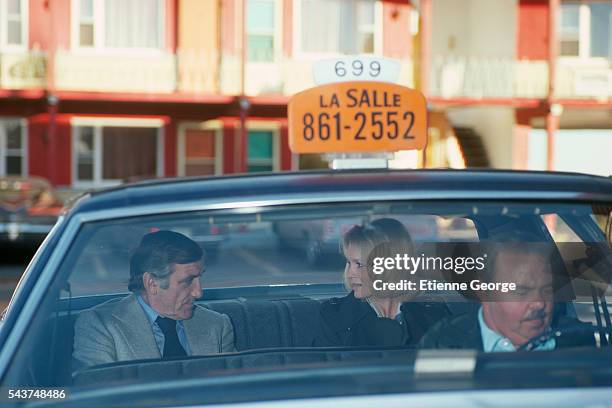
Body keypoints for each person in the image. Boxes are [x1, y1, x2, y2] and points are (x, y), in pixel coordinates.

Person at [73, 230, 235, 368]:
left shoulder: (217, 325)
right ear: (151, 283)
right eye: (187, 281)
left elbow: (233, 391)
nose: (198, 293)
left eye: (200, 278)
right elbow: (98, 397)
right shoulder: (101, 326)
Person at [419, 241, 595, 351]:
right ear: (485, 292)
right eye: (521, 291)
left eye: (547, 290)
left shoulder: (578, 340)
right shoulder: (444, 343)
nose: (539, 303)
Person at [313, 218, 449, 347]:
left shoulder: (432, 312)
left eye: (359, 264)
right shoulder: (333, 315)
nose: (350, 273)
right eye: (349, 262)